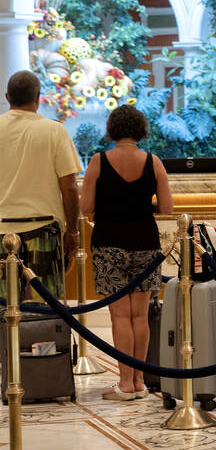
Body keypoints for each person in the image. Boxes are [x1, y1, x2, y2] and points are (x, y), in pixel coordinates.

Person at [79, 105, 172, 400]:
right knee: (140, 316)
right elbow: (168, 208)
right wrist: (145, 205)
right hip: (146, 242)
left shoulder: (98, 161)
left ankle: (125, 383)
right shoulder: (153, 161)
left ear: (113, 129)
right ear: (140, 130)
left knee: (120, 316)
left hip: (109, 242)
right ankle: (140, 381)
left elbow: (86, 207)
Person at [0, 71, 81, 301]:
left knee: (3, 306)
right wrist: (73, 230)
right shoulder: (54, 130)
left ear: (8, 97)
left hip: (1, 228)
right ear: (38, 98)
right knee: (47, 305)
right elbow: (69, 187)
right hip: (43, 227)